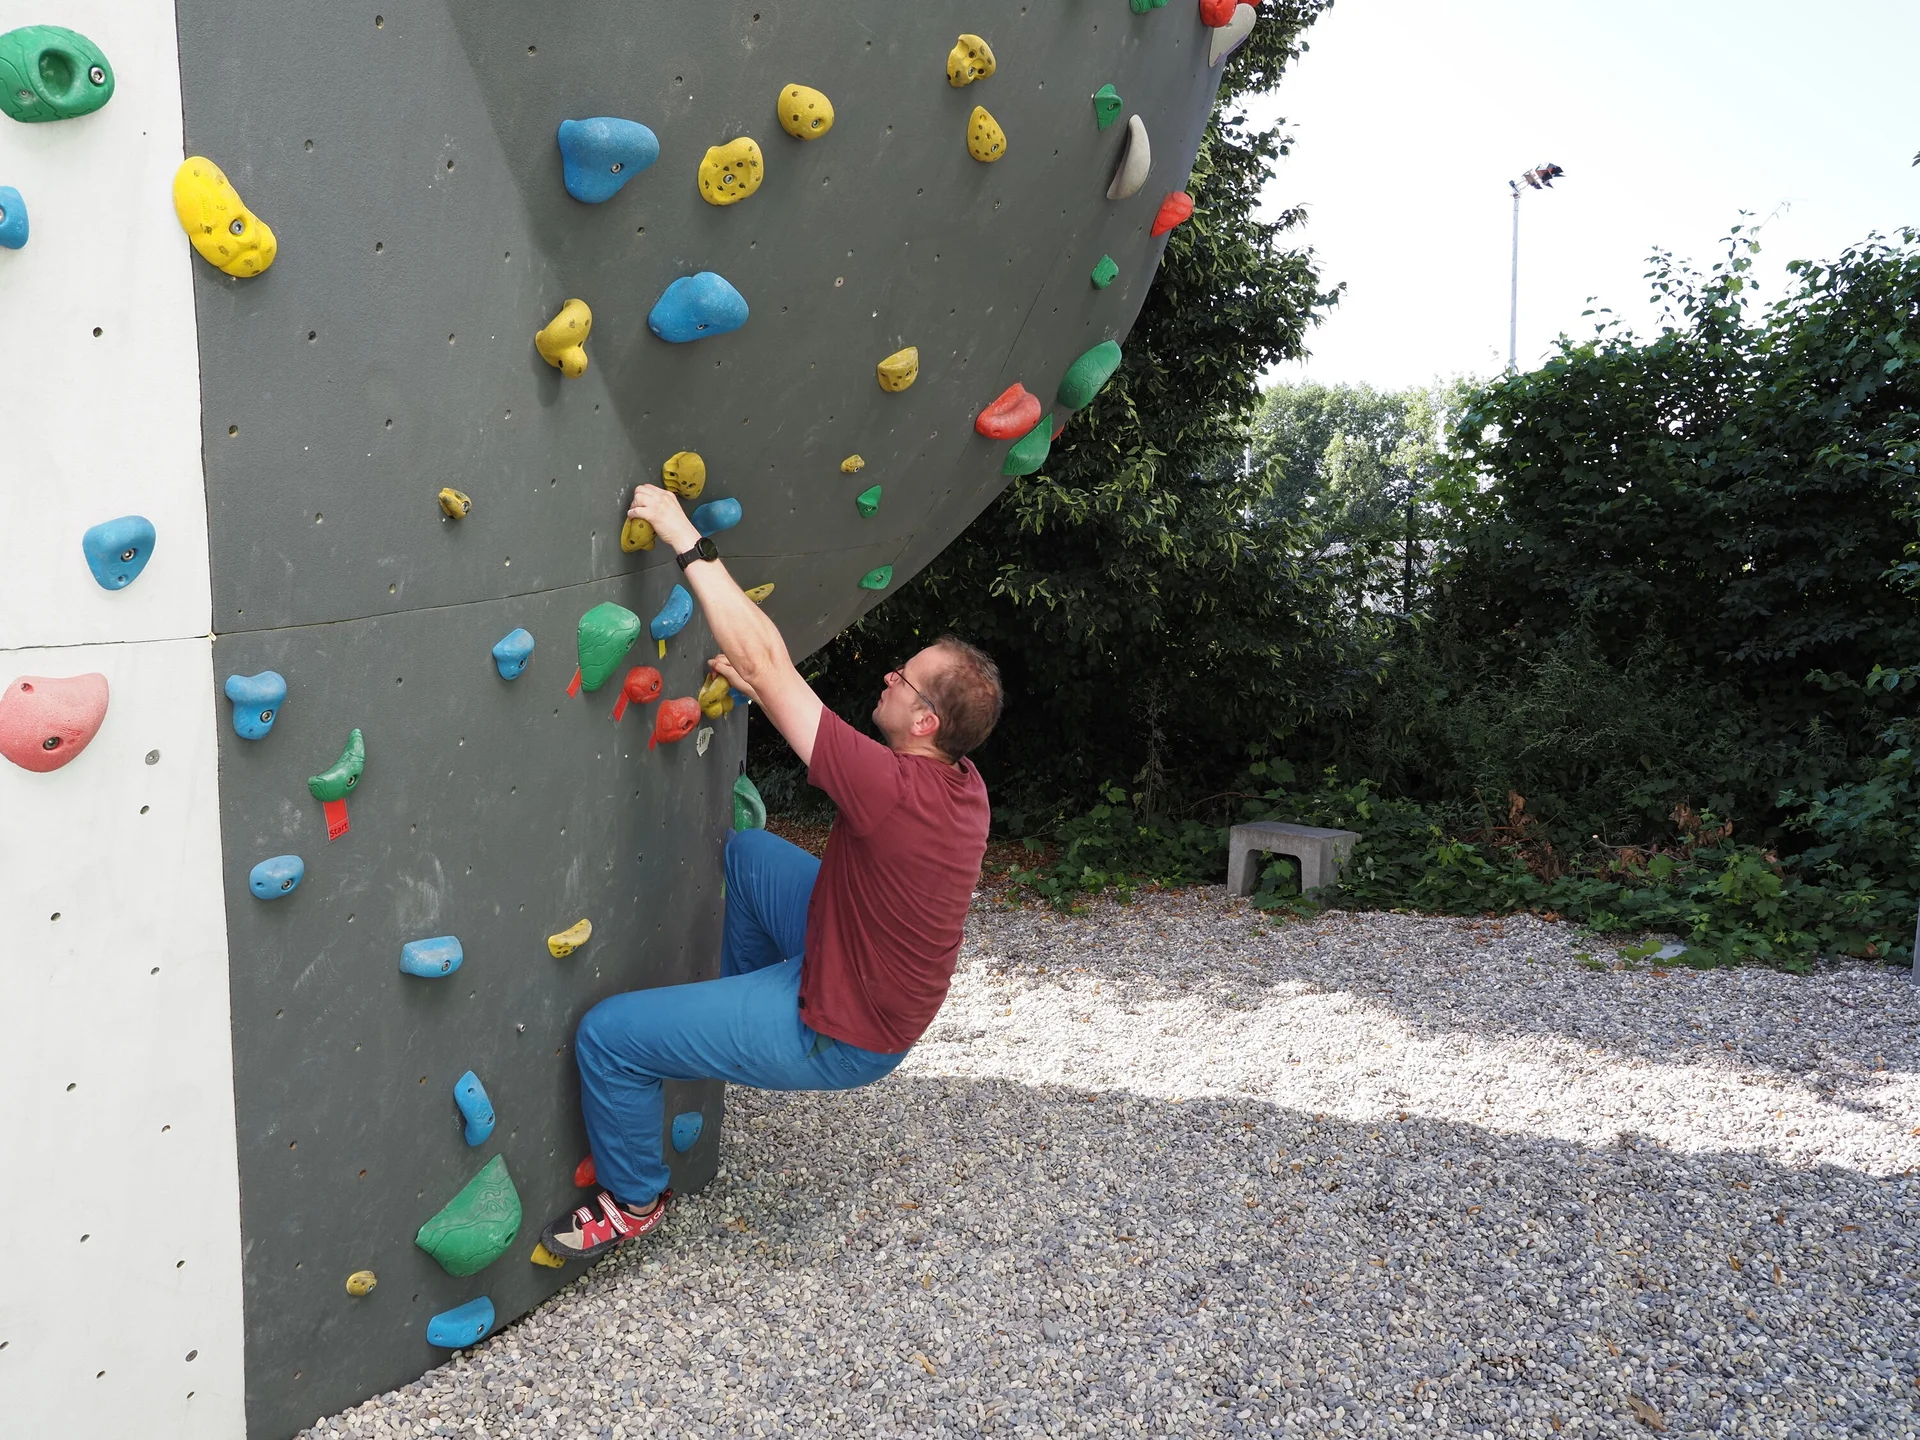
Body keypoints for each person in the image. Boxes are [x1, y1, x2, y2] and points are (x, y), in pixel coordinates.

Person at [538, 482, 1004, 1261]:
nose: (889, 675)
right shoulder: (961, 782)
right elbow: (783, 684)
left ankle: (634, 1199)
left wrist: (682, 532)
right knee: (750, 856)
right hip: (862, 966)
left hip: (845, 1031)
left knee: (608, 1038)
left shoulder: (891, 791)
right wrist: (768, 688)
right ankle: (728, 1019)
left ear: (925, 722)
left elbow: (768, 657)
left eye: (905, 679)